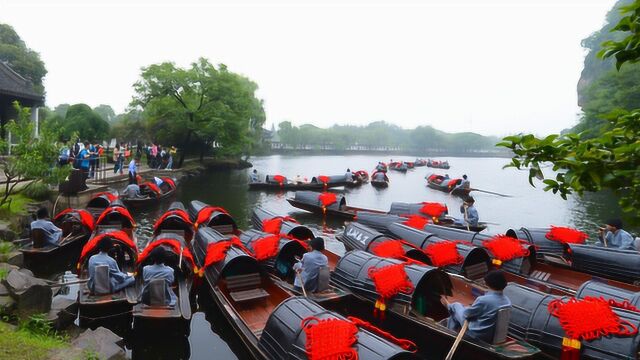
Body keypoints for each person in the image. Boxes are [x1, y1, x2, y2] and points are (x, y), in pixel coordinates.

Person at [444, 270, 511, 343]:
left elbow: (466, 315)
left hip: (475, 334)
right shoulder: (507, 301)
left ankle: (449, 337)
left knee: (455, 306)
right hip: (490, 336)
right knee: (458, 311)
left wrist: (450, 305)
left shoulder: (483, 300)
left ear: (487, 283)